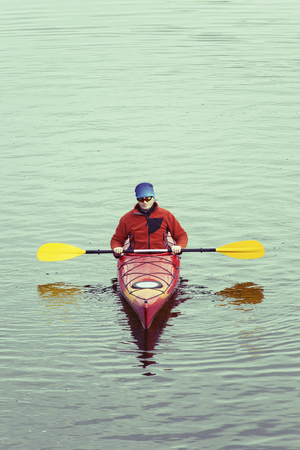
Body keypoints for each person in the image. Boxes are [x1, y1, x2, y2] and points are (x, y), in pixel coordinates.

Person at [111, 182, 188, 257]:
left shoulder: (166, 215)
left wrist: (179, 246)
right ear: (137, 200)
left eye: (148, 198)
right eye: (141, 199)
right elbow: (117, 239)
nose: (144, 202)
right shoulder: (127, 218)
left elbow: (181, 235)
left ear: (153, 198)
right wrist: (117, 248)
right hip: (135, 256)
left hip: (162, 255)